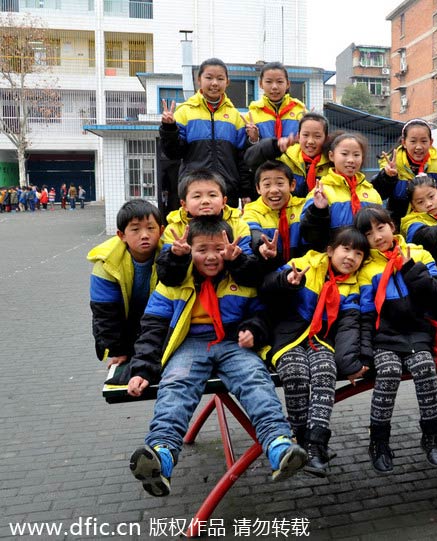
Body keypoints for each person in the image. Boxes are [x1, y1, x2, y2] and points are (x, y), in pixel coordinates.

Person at [127, 217, 307, 496]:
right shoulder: (173, 282)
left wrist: (254, 331)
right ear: (188, 249)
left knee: (256, 381)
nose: (211, 257)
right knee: (176, 386)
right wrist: (141, 370)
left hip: (233, 343)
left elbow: (264, 313)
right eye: (202, 250)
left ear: (231, 248)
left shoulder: (243, 277)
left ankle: (279, 446)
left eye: (219, 249)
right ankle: (161, 455)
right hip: (190, 344)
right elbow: (151, 329)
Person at [260, 227, 369, 477]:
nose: (351, 256)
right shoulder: (306, 263)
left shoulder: (352, 286)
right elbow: (266, 288)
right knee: (297, 373)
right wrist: (288, 282)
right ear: (330, 251)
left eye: (359, 253)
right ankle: (299, 438)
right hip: (286, 336)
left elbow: (349, 327)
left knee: (325, 370)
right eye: (346, 248)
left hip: (320, 340)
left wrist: (350, 362)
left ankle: (316, 443)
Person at [355, 206, 437, 473]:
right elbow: (364, 314)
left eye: (380, 227)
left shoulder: (417, 252)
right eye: (369, 233)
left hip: (417, 333)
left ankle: (432, 435)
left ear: (392, 226)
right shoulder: (366, 267)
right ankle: (379, 442)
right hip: (384, 338)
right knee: (388, 372)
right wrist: (364, 352)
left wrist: (410, 268)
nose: (377, 236)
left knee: (425, 368)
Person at [159, 58, 250, 209]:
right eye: (209, 77)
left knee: (225, 232)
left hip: (227, 192)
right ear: (199, 80)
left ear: (227, 82)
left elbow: (243, 159)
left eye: (220, 78)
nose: (214, 83)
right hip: (194, 191)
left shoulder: (236, 116)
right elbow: (172, 154)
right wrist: (169, 129)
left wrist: (245, 192)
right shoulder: (184, 112)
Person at [88, 199, 164, 372]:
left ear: (161, 230)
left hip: (158, 325)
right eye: (135, 229)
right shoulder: (106, 264)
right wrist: (118, 351)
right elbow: (105, 314)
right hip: (126, 324)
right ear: (122, 235)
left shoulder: (170, 255)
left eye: (150, 228)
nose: (144, 235)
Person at [156, 169, 259, 288]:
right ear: (184, 205)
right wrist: (176, 257)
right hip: (186, 294)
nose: (205, 201)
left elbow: (252, 276)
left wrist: (236, 259)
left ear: (223, 201)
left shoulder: (238, 225)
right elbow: (167, 278)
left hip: (230, 293)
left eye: (212, 195)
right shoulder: (175, 229)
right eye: (197, 196)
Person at [300, 132, 382, 251]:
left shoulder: (371, 192)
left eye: (356, 155)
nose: (351, 160)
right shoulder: (321, 192)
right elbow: (309, 237)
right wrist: (318, 211)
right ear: (331, 156)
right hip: (333, 261)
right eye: (344, 154)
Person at [373, 119, 437, 224]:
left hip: (434, 223)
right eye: (413, 141)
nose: (419, 146)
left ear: (431, 142)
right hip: (399, 223)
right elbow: (379, 194)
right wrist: (388, 177)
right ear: (404, 143)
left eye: (424, 141)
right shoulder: (392, 164)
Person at [244, 112, 332, 198]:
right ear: (298, 136)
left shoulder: (332, 161)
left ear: (326, 138)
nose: (310, 141)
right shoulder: (286, 157)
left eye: (317, 136)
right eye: (305, 135)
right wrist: (274, 146)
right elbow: (250, 159)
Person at [242, 160, 307, 267]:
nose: (274, 190)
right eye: (267, 185)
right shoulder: (251, 211)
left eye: (280, 183)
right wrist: (263, 245)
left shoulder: (302, 207)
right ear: (258, 188)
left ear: (292, 185)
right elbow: (252, 231)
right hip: (269, 271)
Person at [399, 175, 437, 275]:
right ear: (413, 206)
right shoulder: (410, 222)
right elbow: (427, 235)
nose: (428, 204)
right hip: (429, 275)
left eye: (431, 197)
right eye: (420, 202)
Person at [245, 62, 305, 142]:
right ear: (260, 84)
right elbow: (245, 151)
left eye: (279, 82)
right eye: (269, 82)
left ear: (288, 84)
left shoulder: (301, 112)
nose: (274, 87)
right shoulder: (251, 115)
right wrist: (254, 139)